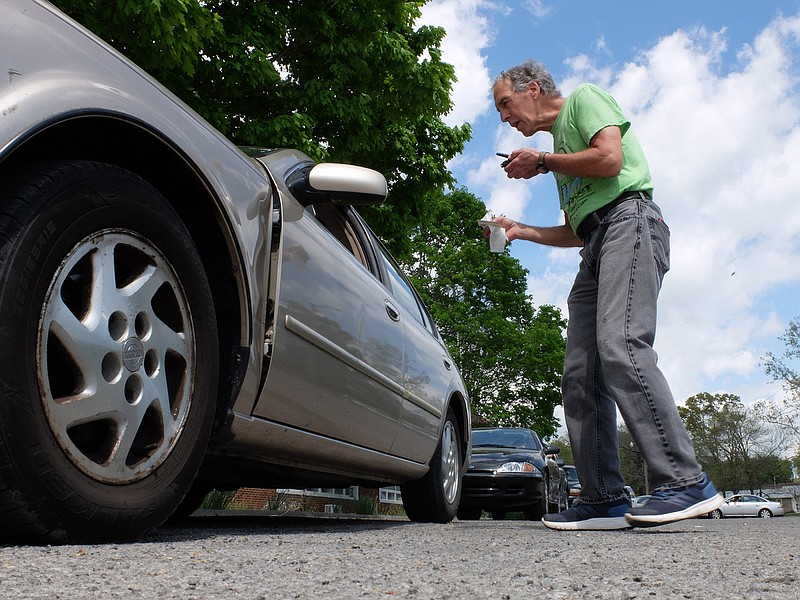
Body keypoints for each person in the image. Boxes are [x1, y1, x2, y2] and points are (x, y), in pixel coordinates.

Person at [489, 59, 724, 530]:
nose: (503, 118)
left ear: (532, 89)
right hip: (596, 242)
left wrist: (543, 162)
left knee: (621, 344)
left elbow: (610, 160)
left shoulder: (584, 99)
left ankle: (683, 480)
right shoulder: (556, 152)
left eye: (505, 104)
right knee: (580, 373)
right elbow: (580, 227)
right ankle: (603, 498)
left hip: (631, 224)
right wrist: (522, 230)